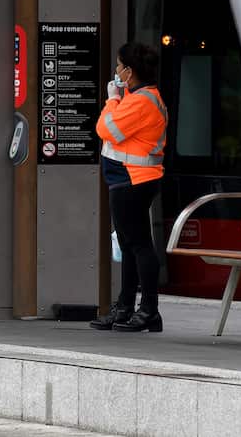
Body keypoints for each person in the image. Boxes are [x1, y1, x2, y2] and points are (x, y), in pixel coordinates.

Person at [90, 42, 168, 333]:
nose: (116, 70)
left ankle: (147, 310)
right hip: (129, 179)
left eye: (119, 65)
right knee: (129, 245)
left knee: (138, 246)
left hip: (133, 180)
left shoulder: (141, 101)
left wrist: (111, 100)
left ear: (129, 71)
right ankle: (125, 307)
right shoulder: (140, 98)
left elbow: (105, 129)